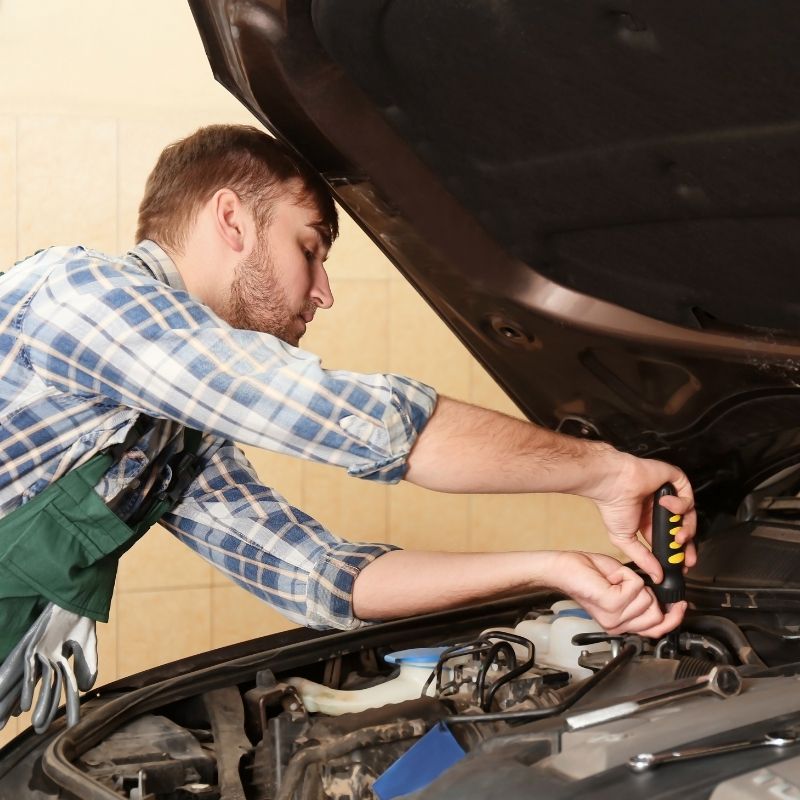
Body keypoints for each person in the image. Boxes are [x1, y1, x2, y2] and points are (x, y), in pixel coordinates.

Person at [0, 124, 695, 731]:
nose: (324, 293)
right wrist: (606, 472)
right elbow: (351, 422)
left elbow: (322, 577)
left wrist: (552, 569)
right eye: (311, 248)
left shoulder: (175, 438)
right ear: (232, 221)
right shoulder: (75, 296)